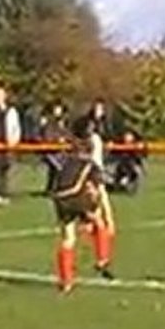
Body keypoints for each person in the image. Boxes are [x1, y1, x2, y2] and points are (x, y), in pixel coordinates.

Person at [51, 122, 116, 294]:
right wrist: (109, 216)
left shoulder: (66, 164)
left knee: (68, 239)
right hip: (77, 199)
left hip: (60, 200)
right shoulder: (91, 166)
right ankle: (102, 259)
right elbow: (100, 191)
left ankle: (65, 282)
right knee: (99, 221)